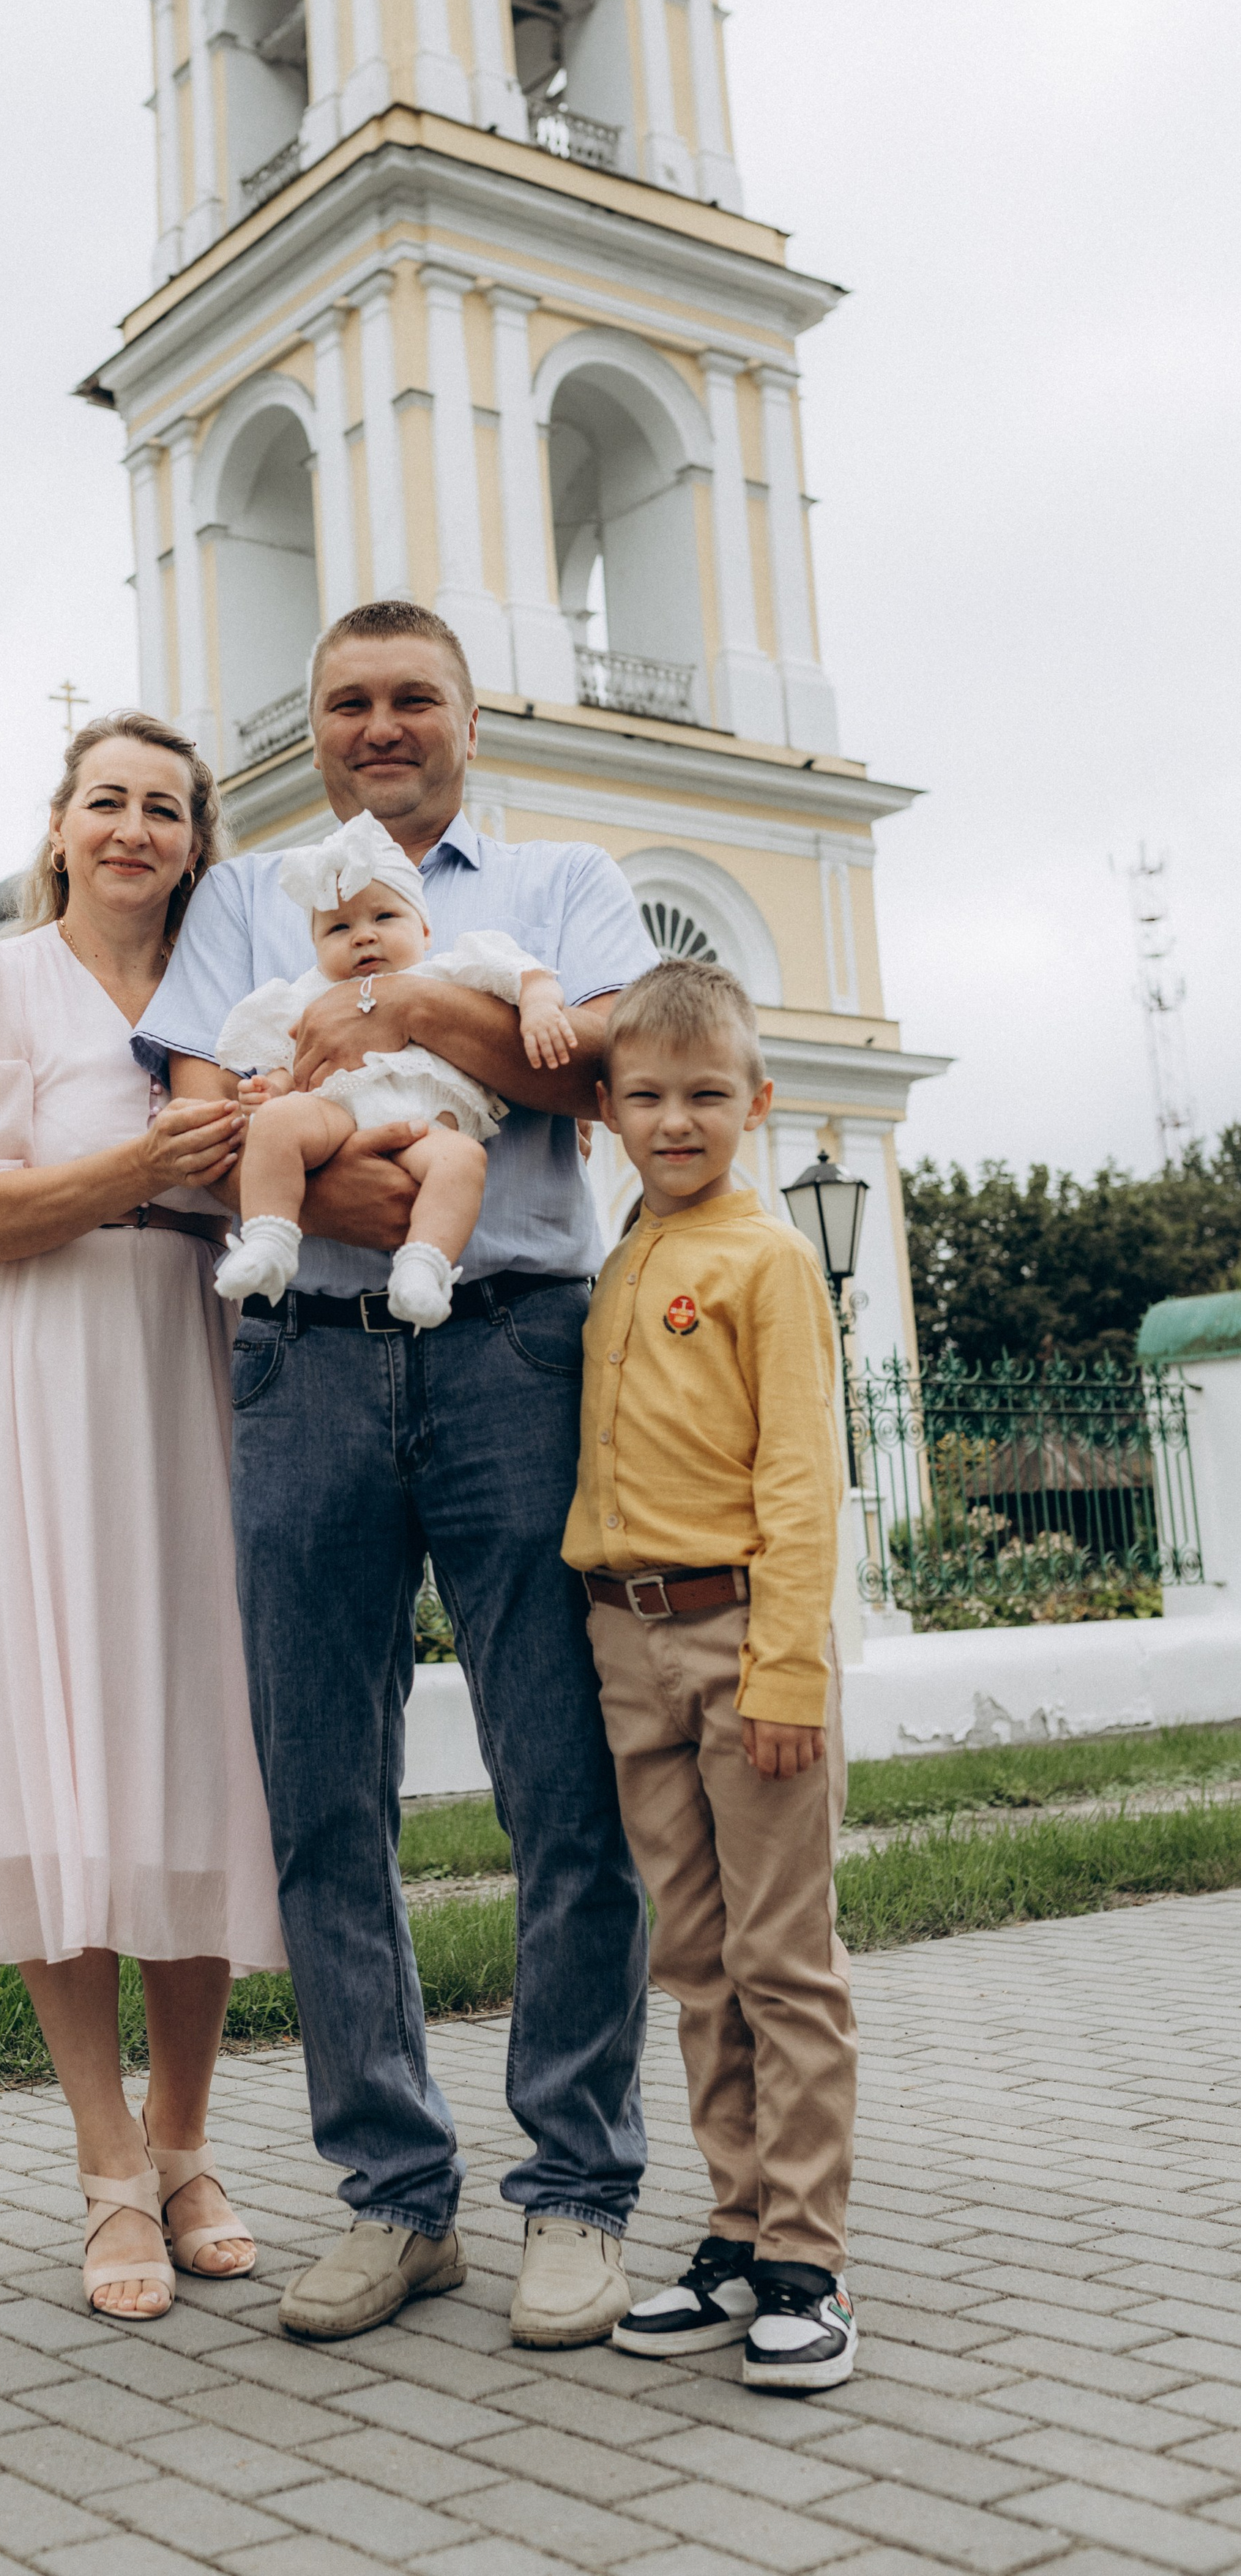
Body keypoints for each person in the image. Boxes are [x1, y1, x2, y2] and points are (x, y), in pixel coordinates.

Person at [138, 599, 658, 2350]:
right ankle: (392, 2198)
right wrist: (359, 1149)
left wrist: (402, 1002)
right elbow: (214, 1116)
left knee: (559, 1779)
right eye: (346, 699)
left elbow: (573, 1077)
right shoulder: (240, 892)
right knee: (321, 1787)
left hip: (515, 1341)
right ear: (314, 723)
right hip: (307, 1363)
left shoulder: (569, 882)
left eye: (409, 696)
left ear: (465, 717)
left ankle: (575, 2192)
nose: (378, 722)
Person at [0, 710, 287, 2325]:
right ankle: (105, 2169)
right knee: (58, 1757)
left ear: (197, 841)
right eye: (104, 803)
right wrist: (141, 1169)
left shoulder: (224, 989)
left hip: (186, 1368)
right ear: (57, 828)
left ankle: (192, 2146)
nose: (133, 830)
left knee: (193, 1752)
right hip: (35, 1385)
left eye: (165, 810)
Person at [567, 957, 859, 2388]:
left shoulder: (766, 1260)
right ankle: (733, 2234)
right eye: (643, 1096)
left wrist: (788, 1669)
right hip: (628, 1643)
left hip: (743, 1647)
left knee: (778, 1962)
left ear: (753, 1101)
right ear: (605, 1111)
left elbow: (802, 1478)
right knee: (690, 1960)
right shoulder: (622, 1253)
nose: (671, 1121)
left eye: (700, 1095)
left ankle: (806, 2259)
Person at [214, 808, 579, 1328]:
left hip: (428, 1127)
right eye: (339, 927)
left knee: (463, 1163)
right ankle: (270, 1237)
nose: (363, 936)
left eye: (384, 918)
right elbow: (286, 1063)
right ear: (316, 949)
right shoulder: (308, 994)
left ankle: (423, 1268)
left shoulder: (449, 972)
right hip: (336, 1116)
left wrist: (541, 1006)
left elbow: (526, 975)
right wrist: (269, 1089)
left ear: (425, 928)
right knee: (275, 1124)